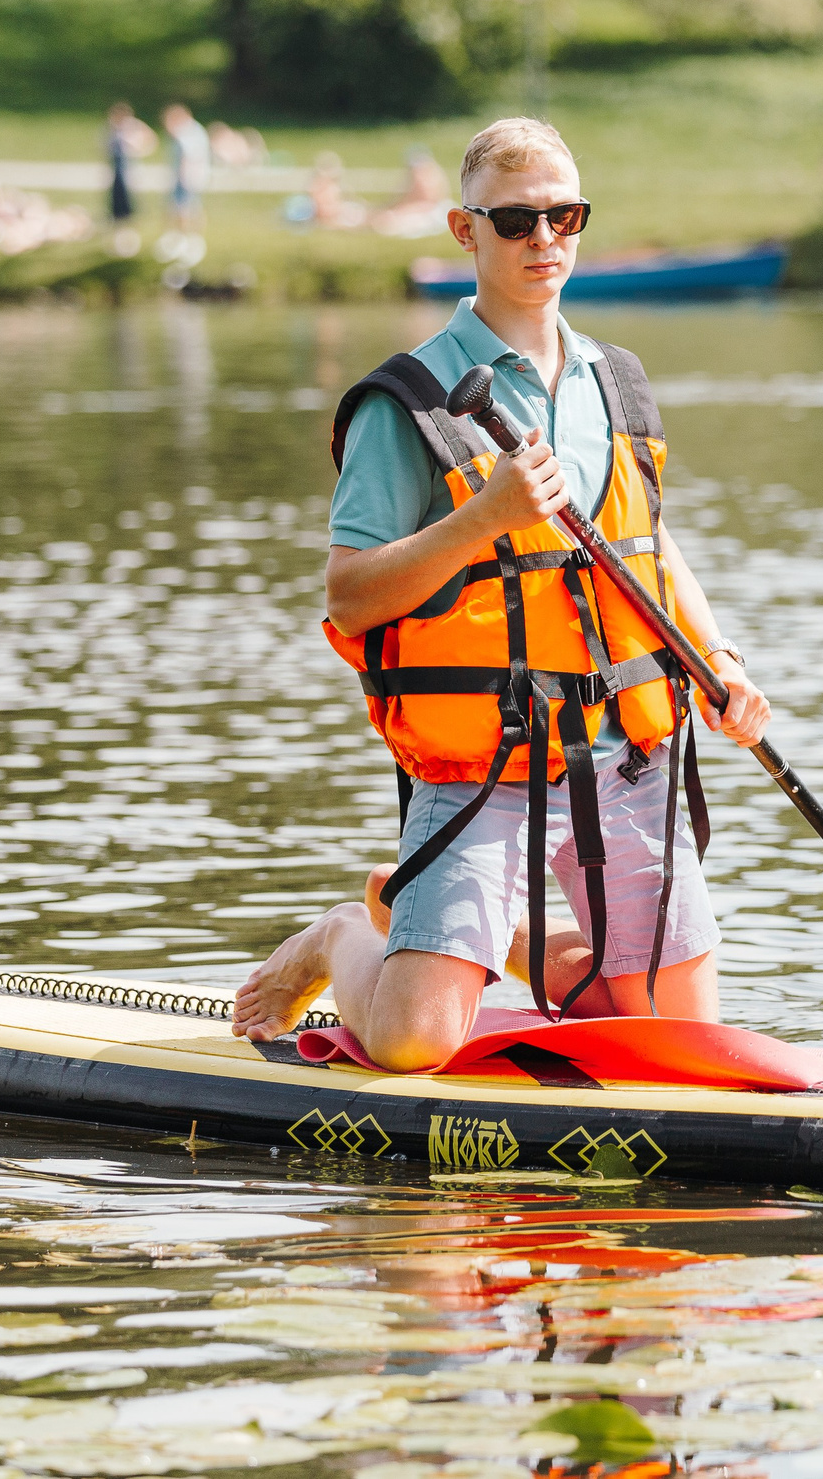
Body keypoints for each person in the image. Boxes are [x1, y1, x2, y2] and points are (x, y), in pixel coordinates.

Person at [233, 117, 772, 1070]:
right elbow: (350, 596)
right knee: (410, 1041)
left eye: (565, 216)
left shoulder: (616, 380)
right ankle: (341, 940)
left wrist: (718, 659)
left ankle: (480, 936)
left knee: (678, 1040)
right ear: (463, 229)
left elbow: (645, 543)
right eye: (516, 220)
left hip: (625, 750)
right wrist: (483, 517)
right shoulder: (407, 401)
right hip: (488, 759)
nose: (545, 241)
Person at [162, 103, 209, 235]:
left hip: (187, 177)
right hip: (191, 177)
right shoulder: (194, 130)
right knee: (190, 207)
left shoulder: (187, 133)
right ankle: (188, 236)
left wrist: (182, 178)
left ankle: (188, 237)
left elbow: (188, 157)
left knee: (185, 209)